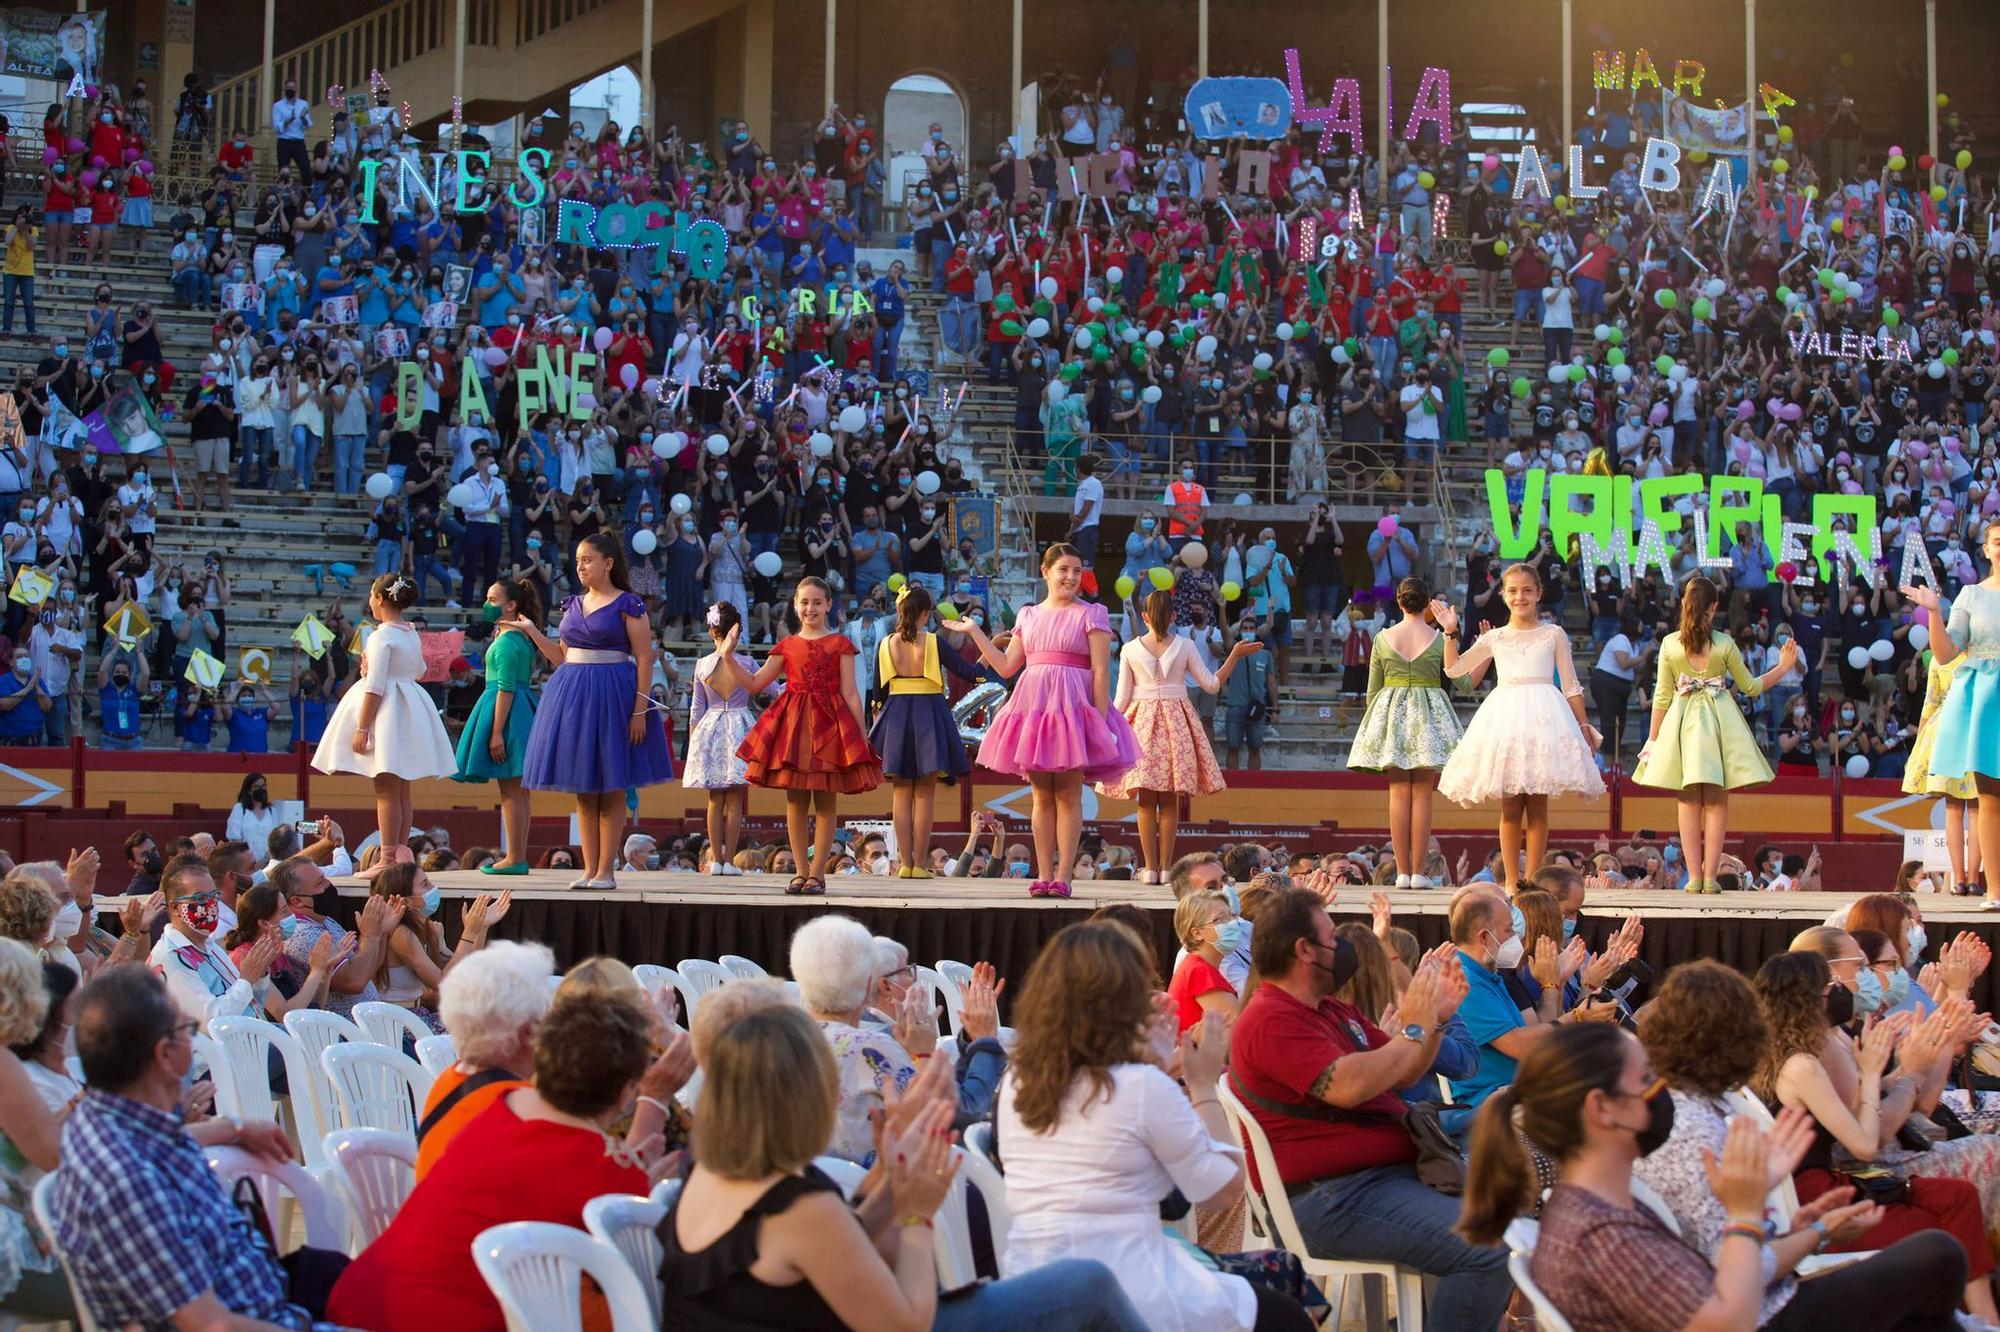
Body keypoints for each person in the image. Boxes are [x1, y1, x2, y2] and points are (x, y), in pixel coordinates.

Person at [1457, 1019, 1969, 1332]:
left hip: (1759, 1312)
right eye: (1645, 1080)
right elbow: (1727, 1321)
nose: (1660, 1092)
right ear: (1603, 1109)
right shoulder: (1601, 1232)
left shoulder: (1602, 1204)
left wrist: (1813, 1232)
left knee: (1926, 1311)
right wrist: (1746, 1212)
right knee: (1938, 1254)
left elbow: (1721, 1282)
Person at [999, 920, 1314, 1331]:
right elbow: (1223, 1190)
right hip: (1124, 1292)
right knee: (1284, 1314)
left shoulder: (1016, 1080)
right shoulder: (1138, 1086)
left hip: (1031, 1286)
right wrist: (1201, 1083)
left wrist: (1158, 1070)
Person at [1229, 887, 1511, 1325]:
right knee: (1485, 1249)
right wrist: (1416, 1026)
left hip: (1380, 1180)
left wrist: (1433, 1021)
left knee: (1516, 1199)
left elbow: (1407, 1071)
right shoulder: (1271, 1018)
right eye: (1331, 938)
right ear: (1304, 950)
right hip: (1331, 1197)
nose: (1341, 948)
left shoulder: (1329, 1011)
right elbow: (1348, 1087)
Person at [326, 986, 667, 1331]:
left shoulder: (495, 1105)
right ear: (626, 1092)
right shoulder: (605, 1171)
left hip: (359, 1299)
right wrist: (649, 1137)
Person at [51, 967, 339, 1330]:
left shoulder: (111, 1120)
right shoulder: (130, 1181)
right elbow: (212, 1325)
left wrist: (232, 1128)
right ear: (165, 1055)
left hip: (272, 1303)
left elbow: (157, 1143)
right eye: (188, 1031)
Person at [1750, 949, 1997, 1318]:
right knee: (1937, 1230)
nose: (1838, 993)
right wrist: (1871, 1073)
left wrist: (1889, 1070)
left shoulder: (1791, 1053)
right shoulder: (1801, 1064)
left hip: (1835, 1180)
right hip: (1819, 1194)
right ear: (1808, 999)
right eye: (1830, 987)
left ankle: (1981, 1318)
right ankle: (1975, 1318)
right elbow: (1866, 1144)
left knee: (1957, 1195)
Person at [953, 544, 1141, 897]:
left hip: (1074, 709)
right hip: (1035, 707)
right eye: (1063, 569)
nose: (1071, 576)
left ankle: (1065, 876)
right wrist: (975, 632)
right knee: (1041, 794)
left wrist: (1098, 722)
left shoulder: (1093, 613)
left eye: (1076, 570)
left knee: (1069, 793)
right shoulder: (1027, 615)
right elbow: (1008, 666)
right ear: (1045, 571)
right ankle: (1043, 874)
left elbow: (1101, 672)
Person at [508, 532, 674, 890]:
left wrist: (639, 711)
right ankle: (588, 869)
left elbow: (645, 657)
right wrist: (533, 631)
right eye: (578, 560)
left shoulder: (629, 604)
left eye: (588, 559)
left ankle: (606, 871)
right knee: (584, 789)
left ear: (608, 563)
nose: (581, 566)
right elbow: (561, 656)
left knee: (612, 785)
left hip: (614, 694)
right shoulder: (572, 604)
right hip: (573, 696)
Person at [1435, 565, 1603, 891]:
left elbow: (1571, 686)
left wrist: (1583, 726)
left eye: (1527, 590)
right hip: (1506, 720)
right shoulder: (1495, 637)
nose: (1519, 597)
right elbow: (1455, 669)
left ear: (1538, 593)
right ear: (1503, 595)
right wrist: (1450, 632)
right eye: (1512, 591)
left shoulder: (1554, 634)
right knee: (1510, 806)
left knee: (1538, 806)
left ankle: (1535, 881)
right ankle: (1512, 883)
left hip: (1545, 720)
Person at [1633, 575, 1797, 894]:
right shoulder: (1724, 642)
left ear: (1684, 604)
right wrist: (1783, 667)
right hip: (1719, 722)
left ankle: (1695, 877)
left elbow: (1663, 695)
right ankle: (1709, 878)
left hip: (1683, 724)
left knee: (1688, 799)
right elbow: (1750, 687)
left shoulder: (1669, 644)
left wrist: (1653, 740)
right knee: (1717, 801)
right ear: (1714, 608)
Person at [717, 576, 881, 894]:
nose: (810, 608)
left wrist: (861, 735)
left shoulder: (840, 645)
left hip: (830, 726)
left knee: (825, 801)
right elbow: (754, 683)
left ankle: (818, 874)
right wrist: (727, 656)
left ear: (829, 605)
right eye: (804, 602)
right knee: (794, 800)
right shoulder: (787, 646)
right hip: (793, 725)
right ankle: (800, 872)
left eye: (817, 602)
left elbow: (850, 692)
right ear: (795, 604)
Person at [1098, 589, 1261, 884]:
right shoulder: (1185, 645)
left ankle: (1149, 869)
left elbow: (1120, 700)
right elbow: (1211, 685)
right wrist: (1234, 654)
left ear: (1144, 616)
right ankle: (1165, 868)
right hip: (1176, 722)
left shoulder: (1130, 649)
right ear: (1174, 616)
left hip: (1143, 723)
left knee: (1146, 801)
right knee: (1169, 800)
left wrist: (1106, 729)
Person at [311, 572, 456, 857]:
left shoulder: (381, 637)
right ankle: (399, 850)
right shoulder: (410, 632)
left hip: (388, 710)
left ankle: (389, 855)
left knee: (387, 788)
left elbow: (376, 685)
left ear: (379, 598)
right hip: (408, 702)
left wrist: (362, 727)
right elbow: (420, 671)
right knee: (401, 789)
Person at [1905, 523, 2000, 907]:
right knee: (1990, 798)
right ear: (1988, 549)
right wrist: (1934, 613)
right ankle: (1994, 891)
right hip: (1987, 700)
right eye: (1998, 541)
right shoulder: (1971, 595)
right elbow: (1946, 654)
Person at [1346, 578, 1461, 887]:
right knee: (1423, 792)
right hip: (1429, 712)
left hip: (1392, 711)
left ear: (1398, 603)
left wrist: (1377, 726)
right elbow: (1460, 679)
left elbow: (1372, 691)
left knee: (1398, 792)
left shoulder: (1383, 638)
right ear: (1427, 605)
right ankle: (1419, 873)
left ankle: (1401, 872)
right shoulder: (1439, 639)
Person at [870, 583, 980, 877]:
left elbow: (877, 692)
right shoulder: (934, 642)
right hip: (929, 714)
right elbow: (970, 673)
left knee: (901, 792)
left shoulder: (885, 644)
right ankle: (918, 864)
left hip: (895, 716)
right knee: (925, 794)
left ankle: (905, 864)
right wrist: (990, 645)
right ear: (925, 613)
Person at [452, 578, 541, 874]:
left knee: (511, 790)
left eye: (492, 599)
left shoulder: (507, 641)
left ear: (511, 605)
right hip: (519, 711)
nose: (486, 604)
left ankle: (515, 857)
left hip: (508, 714)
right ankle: (517, 855)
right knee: (517, 790)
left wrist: (495, 732)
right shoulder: (514, 636)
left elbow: (505, 688)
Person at [682, 601, 762, 875]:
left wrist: (695, 744)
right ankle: (729, 860)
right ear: (736, 633)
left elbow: (696, 708)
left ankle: (716, 860)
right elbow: (772, 688)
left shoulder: (702, 664)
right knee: (735, 800)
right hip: (740, 726)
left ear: (711, 631)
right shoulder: (747, 662)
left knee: (715, 799)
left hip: (711, 727)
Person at [1901, 639, 1981, 895]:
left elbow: (1931, 703)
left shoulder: (1939, 657)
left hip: (1947, 731)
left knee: (1955, 808)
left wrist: (1918, 750)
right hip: (1976, 731)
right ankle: (1971, 880)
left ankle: (1959, 879)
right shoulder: (1986, 658)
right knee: (1977, 808)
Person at [1167, 888, 1245, 1031]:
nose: (1232, 923)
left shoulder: (1199, 965)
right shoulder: (1199, 971)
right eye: (1220, 919)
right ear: (1197, 933)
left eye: (1231, 916)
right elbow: (1241, 1027)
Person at [224, 771, 281, 856]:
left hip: (268, 862)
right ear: (249, 790)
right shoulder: (240, 809)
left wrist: (266, 859)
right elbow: (235, 840)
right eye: (256, 787)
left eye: (263, 786)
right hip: (246, 862)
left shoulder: (272, 811)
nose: (261, 789)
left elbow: (277, 838)